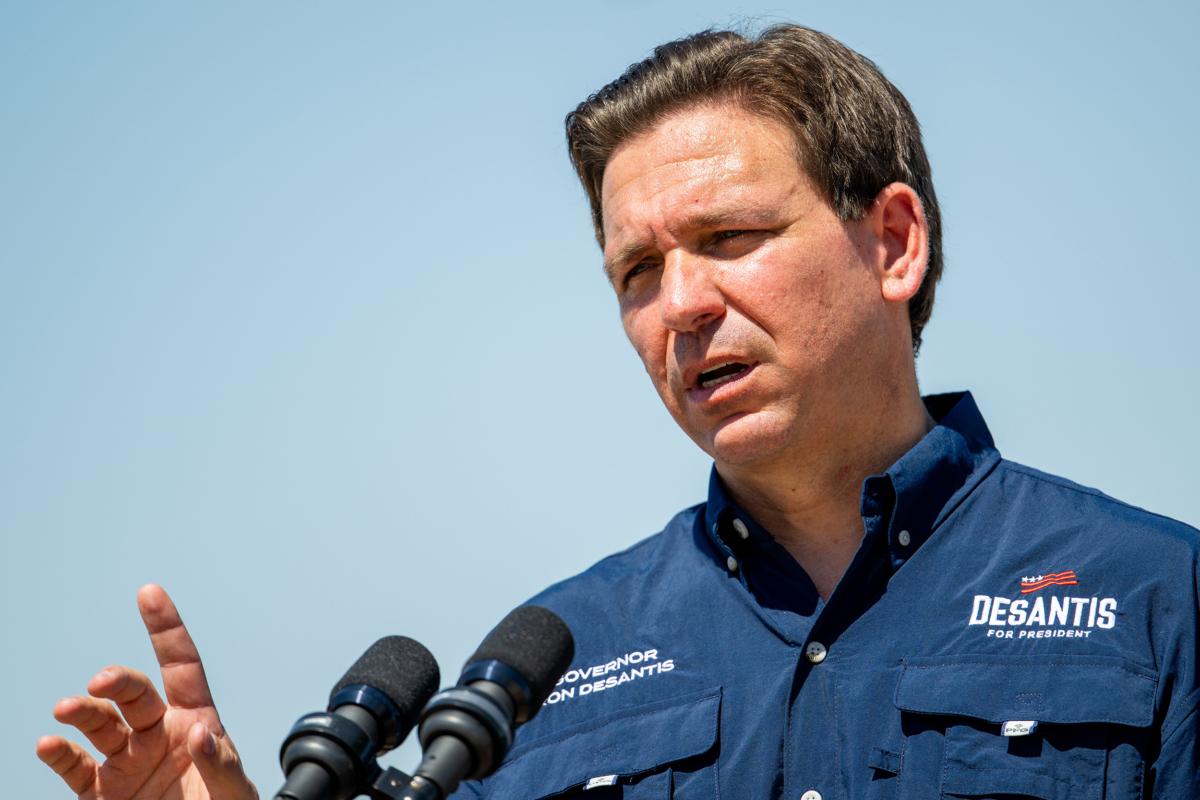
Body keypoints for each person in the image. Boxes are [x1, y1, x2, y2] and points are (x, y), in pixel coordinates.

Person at [38, 24, 1199, 800]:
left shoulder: (1162, 597)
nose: (682, 304)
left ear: (892, 243)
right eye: (636, 271)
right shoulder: (541, 664)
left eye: (731, 239)